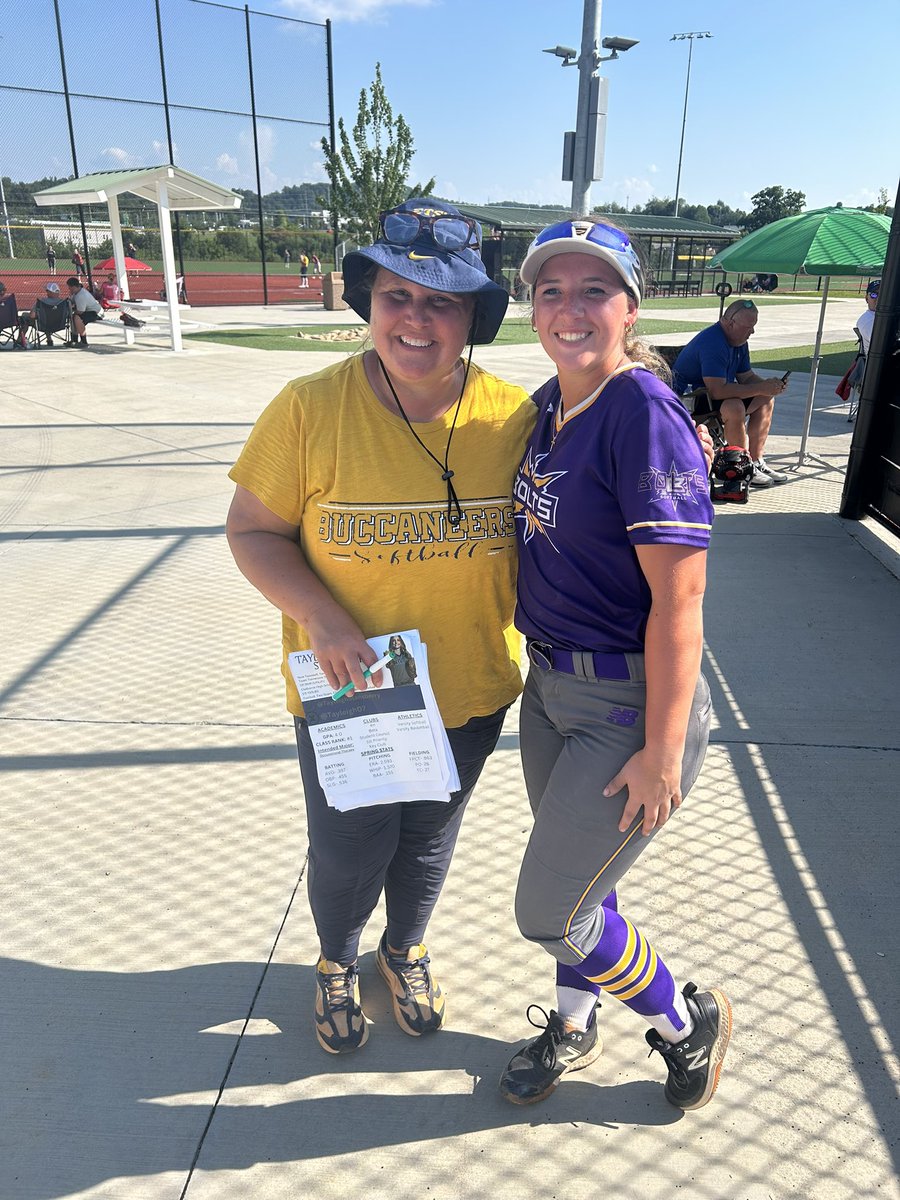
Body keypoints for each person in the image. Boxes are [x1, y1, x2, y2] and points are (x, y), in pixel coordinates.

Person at [225, 198, 536, 1056]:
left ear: (473, 316)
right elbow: (252, 530)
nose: (415, 318)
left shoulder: (514, 417)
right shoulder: (308, 409)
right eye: (398, 294)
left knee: (430, 839)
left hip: (468, 682)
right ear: (369, 302)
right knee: (350, 844)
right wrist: (320, 616)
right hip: (353, 687)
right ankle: (336, 960)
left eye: (442, 301)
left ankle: (404, 950)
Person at [497, 218, 731, 1114]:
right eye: (551, 289)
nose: (570, 307)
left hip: (625, 704)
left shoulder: (642, 412)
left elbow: (681, 604)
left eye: (594, 289)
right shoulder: (552, 405)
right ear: (532, 309)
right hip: (550, 688)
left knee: (550, 910)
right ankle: (574, 1021)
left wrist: (664, 752)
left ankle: (685, 1021)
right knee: (592, 885)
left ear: (630, 308)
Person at [672, 299, 788, 487]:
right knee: (734, 407)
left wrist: (770, 386)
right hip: (689, 399)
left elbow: (746, 377)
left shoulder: (738, 340)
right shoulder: (713, 342)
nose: (752, 331)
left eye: (753, 326)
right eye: (748, 327)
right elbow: (717, 391)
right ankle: (740, 465)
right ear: (729, 323)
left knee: (766, 398)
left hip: (710, 395)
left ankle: (756, 461)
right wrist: (760, 387)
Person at [18, 282, 67, 347]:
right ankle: (49, 340)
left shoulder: (42, 302)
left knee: (25, 318)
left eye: (47, 291)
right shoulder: (63, 303)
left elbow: (32, 316)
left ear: (49, 292)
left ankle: (20, 340)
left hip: (42, 325)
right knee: (49, 317)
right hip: (58, 324)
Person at [65, 276, 103, 348]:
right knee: (73, 317)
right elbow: (71, 301)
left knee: (76, 317)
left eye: (69, 287)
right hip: (89, 311)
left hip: (97, 313)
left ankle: (84, 341)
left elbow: (80, 311)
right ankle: (74, 340)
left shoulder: (81, 295)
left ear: (73, 287)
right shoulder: (76, 293)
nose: (69, 289)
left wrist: (72, 313)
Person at [855, 278, 879, 357]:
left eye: (883, 294)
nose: (878, 298)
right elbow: (881, 345)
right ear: (866, 298)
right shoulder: (868, 320)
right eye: (874, 294)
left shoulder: (880, 318)